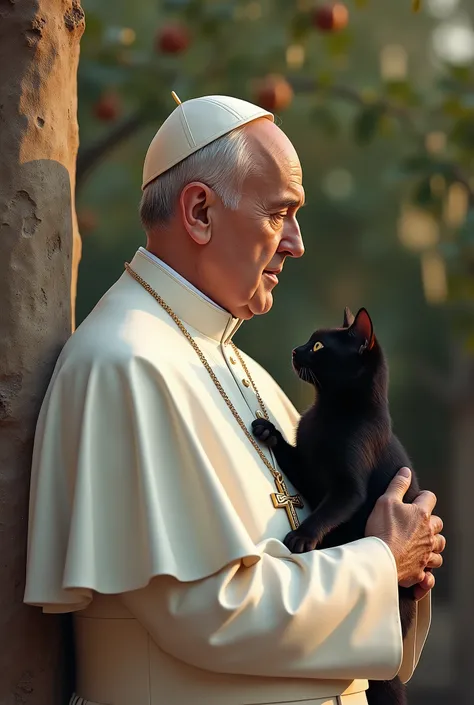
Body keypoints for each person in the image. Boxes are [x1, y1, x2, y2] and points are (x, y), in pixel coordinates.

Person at [24, 94, 445, 705]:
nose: (296, 244)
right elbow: (207, 613)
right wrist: (383, 564)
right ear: (199, 211)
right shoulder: (128, 364)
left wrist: (406, 553)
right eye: (280, 214)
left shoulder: (243, 368)